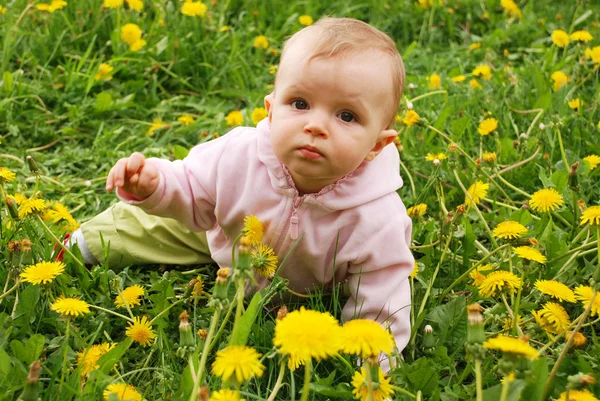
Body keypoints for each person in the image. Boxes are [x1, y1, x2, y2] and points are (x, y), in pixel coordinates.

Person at [70, 16, 414, 365]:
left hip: (311, 292)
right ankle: (79, 244)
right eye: (299, 103)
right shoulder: (237, 155)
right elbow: (190, 185)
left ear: (377, 145)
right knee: (155, 217)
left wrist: (375, 365)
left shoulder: (376, 218)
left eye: (346, 115)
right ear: (270, 109)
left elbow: (383, 298)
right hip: (224, 239)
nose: (315, 125)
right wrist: (153, 183)